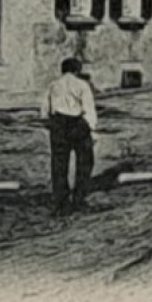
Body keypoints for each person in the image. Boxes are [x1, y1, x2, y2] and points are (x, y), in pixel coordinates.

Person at [42, 57, 98, 216]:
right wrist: (91, 130)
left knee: (59, 163)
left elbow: (45, 109)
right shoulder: (82, 85)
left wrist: (51, 124)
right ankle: (79, 199)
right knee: (85, 161)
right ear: (77, 70)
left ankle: (61, 201)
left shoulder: (53, 85)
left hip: (59, 124)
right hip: (76, 124)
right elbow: (89, 109)